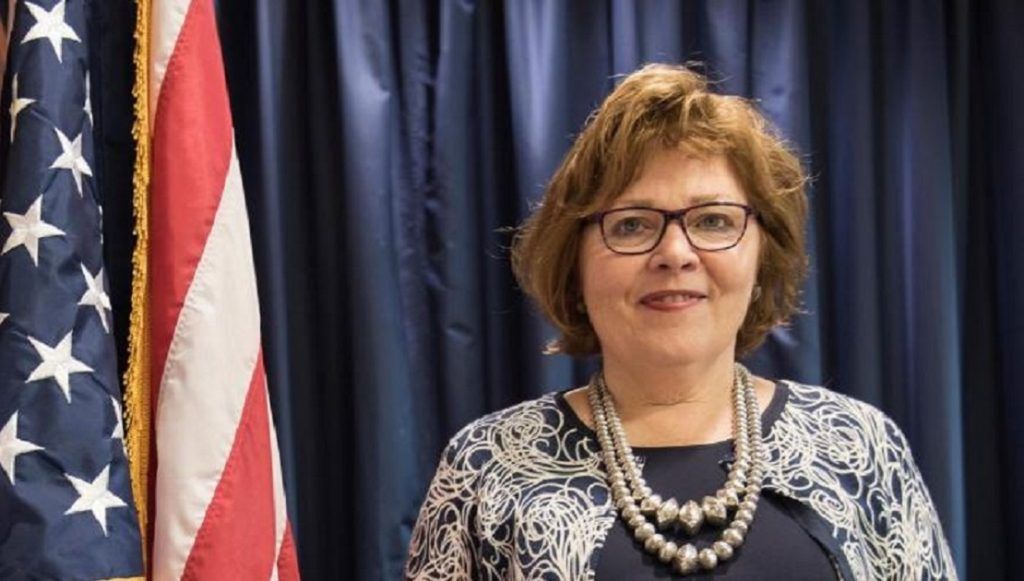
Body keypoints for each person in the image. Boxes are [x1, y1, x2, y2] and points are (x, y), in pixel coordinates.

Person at [405, 64, 957, 580]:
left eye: (713, 220)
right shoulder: (486, 466)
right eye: (631, 225)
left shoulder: (859, 447)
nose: (675, 253)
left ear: (763, 256)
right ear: (575, 264)